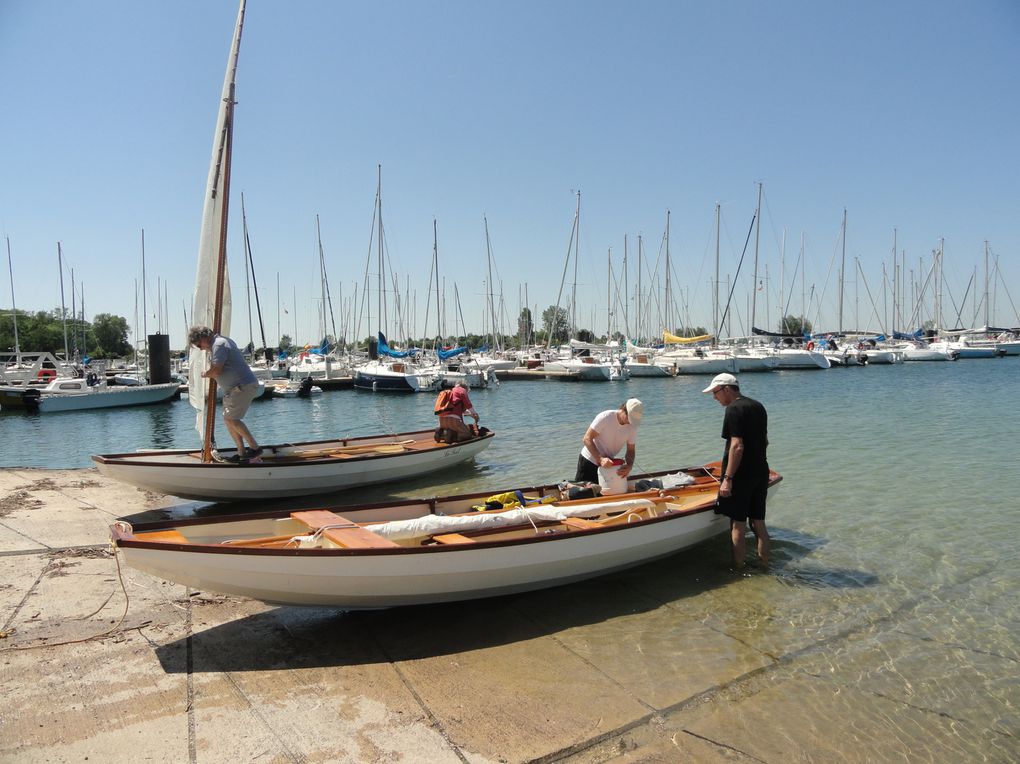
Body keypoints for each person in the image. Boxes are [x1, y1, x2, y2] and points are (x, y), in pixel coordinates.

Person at [703, 372, 770, 570]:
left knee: (737, 524)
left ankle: (739, 570)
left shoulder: (733, 409)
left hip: (741, 476)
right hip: (761, 471)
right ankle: (765, 565)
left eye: (715, 393)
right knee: (759, 523)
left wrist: (728, 478)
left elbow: (737, 446)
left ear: (726, 389)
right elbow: (765, 441)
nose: (714, 397)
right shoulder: (758, 406)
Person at [188, 325, 262, 463]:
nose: (200, 348)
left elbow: (216, 371)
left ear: (203, 338)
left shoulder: (219, 344)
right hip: (235, 389)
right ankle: (241, 452)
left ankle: (254, 447)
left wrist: (205, 374)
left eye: (199, 345)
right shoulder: (218, 344)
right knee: (228, 419)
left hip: (242, 386)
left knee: (233, 419)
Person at [575, 398, 643, 484]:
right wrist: (600, 459)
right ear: (623, 409)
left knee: (602, 493)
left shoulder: (632, 427)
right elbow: (587, 438)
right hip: (589, 460)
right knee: (582, 493)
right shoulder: (606, 417)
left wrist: (629, 466)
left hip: (608, 465)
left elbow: (630, 450)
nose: (629, 422)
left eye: (632, 420)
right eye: (629, 418)